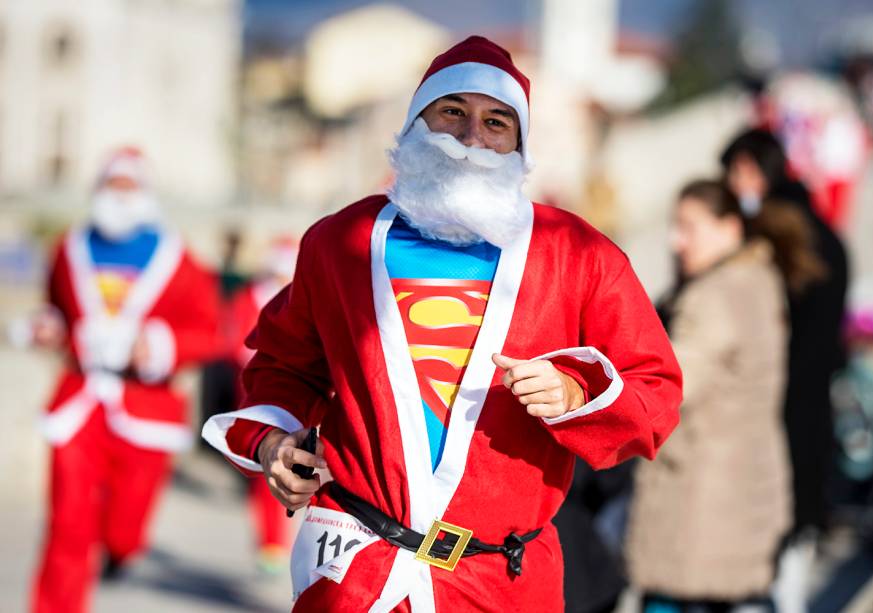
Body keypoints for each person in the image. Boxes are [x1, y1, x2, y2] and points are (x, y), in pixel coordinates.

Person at [202, 36, 682, 612]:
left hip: (500, 583)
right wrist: (274, 441)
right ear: (413, 126)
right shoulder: (340, 243)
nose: (471, 137)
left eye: (496, 121)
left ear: (519, 146)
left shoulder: (579, 254)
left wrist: (576, 390)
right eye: (452, 111)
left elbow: (656, 394)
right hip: (357, 570)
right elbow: (282, 365)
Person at [29, 147, 219, 613]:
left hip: (147, 406)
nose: (119, 195)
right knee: (67, 523)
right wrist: (48, 326)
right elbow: (55, 307)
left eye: (128, 186)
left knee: (126, 525)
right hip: (80, 403)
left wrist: (158, 346)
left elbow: (212, 332)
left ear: (145, 193)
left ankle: (120, 550)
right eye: (111, 185)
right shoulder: (67, 249)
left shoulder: (179, 259)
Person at [627, 180, 798, 613]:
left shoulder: (711, 297)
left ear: (729, 228)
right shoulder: (760, 278)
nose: (675, 240)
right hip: (749, 485)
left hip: (697, 503)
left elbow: (665, 384)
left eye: (689, 227)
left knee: (668, 600)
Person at [720, 129, 849, 613]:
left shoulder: (772, 238)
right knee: (791, 554)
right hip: (809, 413)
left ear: (754, 171)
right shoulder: (821, 230)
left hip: (767, 416)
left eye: (736, 172)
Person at [220, 237, 299, 574]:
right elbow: (231, 339)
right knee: (272, 464)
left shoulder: (306, 295)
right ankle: (271, 543)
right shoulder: (249, 296)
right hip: (259, 393)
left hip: (305, 393)